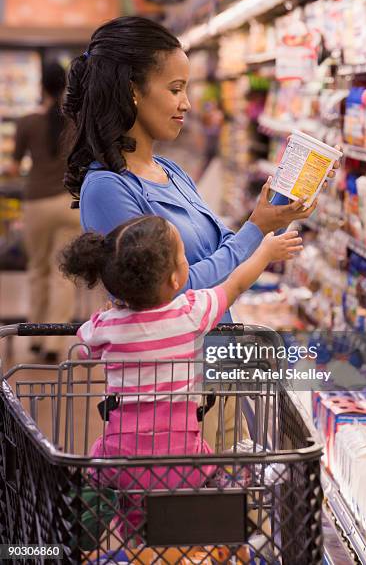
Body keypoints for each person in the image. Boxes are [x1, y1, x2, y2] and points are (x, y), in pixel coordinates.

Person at [63, 15, 339, 447]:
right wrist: (255, 233)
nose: (187, 103)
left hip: (216, 371)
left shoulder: (170, 172)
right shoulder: (108, 188)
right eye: (175, 89)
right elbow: (167, 293)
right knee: (198, 510)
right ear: (132, 91)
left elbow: (220, 248)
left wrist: (265, 219)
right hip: (173, 400)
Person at [59, 213, 303, 537]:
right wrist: (265, 252)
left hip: (121, 463)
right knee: (232, 461)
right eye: (183, 256)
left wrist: (110, 312)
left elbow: (87, 348)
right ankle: (218, 534)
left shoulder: (107, 327)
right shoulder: (190, 312)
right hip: (185, 462)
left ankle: (92, 525)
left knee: (119, 498)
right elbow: (237, 283)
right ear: (174, 281)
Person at [13, 61, 79, 362]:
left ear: (41, 87)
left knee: (37, 270)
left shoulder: (27, 122)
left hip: (36, 202)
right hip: (68, 203)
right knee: (62, 274)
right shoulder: (75, 121)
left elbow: (15, 166)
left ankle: (35, 337)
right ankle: (54, 343)